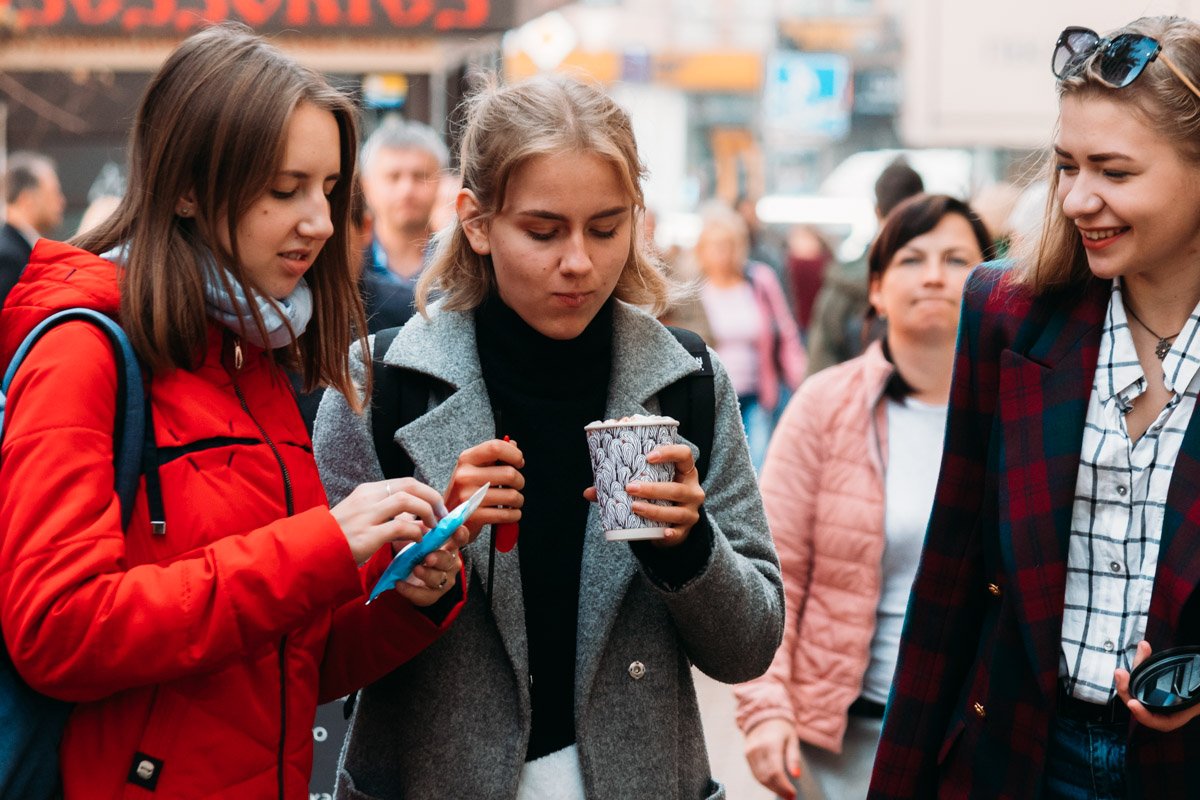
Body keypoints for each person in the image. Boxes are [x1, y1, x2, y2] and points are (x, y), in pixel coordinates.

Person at [0, 24, 468, 799]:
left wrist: (409, 595)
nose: (318, 221)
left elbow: (280, 667)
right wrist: (323, 544)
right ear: (186, 186)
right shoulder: (85, 350)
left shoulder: (257, 353)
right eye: (284, 189)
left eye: (327, 190)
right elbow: (59, 629)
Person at [313, 73, 784, 800]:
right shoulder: (382, 382)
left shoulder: (685, 379)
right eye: (543, 230)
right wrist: (427, 554)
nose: (579, 262)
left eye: (606, 227)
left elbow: (750, 647)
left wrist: (690, 547)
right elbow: (311, 650)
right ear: (476, 221)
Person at [870, 16, 1200, 799]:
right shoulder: (1004, 314)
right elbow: (951, 577)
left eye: (1114, 172)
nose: (1079, 198)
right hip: (1015, 757)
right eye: (1065, 165)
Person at [733, 194, 993, 800]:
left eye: (957, 259)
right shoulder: (825, 406)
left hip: (977, 743)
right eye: (910, 258)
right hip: (843, 749)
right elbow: (773, 573)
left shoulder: (1019, 409)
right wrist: (766, 709)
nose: (933, 274)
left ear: (991, 286)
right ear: (875, 289)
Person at [663, 201, 806, 471]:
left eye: (728, 244)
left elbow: (786, 331)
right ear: (702, 249)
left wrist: (799, 379)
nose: (722, 253)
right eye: (715, 245)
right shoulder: (692, 291)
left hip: (757, 393)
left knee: (757, 466)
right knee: (718, 469)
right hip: (711, 394)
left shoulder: (759, 280)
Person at [806, 158, 924, 376]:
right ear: (923, 207)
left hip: (855, 400)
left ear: (877, 210)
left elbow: (820, 362)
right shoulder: (941, 280)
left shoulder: (844, 281)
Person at [358, 116, 448, 331]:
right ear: (366, 186)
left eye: (420, 176)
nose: (406, 189)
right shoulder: (350, 266)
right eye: (393, 176)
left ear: (440, 182)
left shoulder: (460, 266)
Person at [1, 151, 65, 310]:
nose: (61, 201)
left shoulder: (17, 249)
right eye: (53, 193)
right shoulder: (8, 257)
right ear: (27, 199)